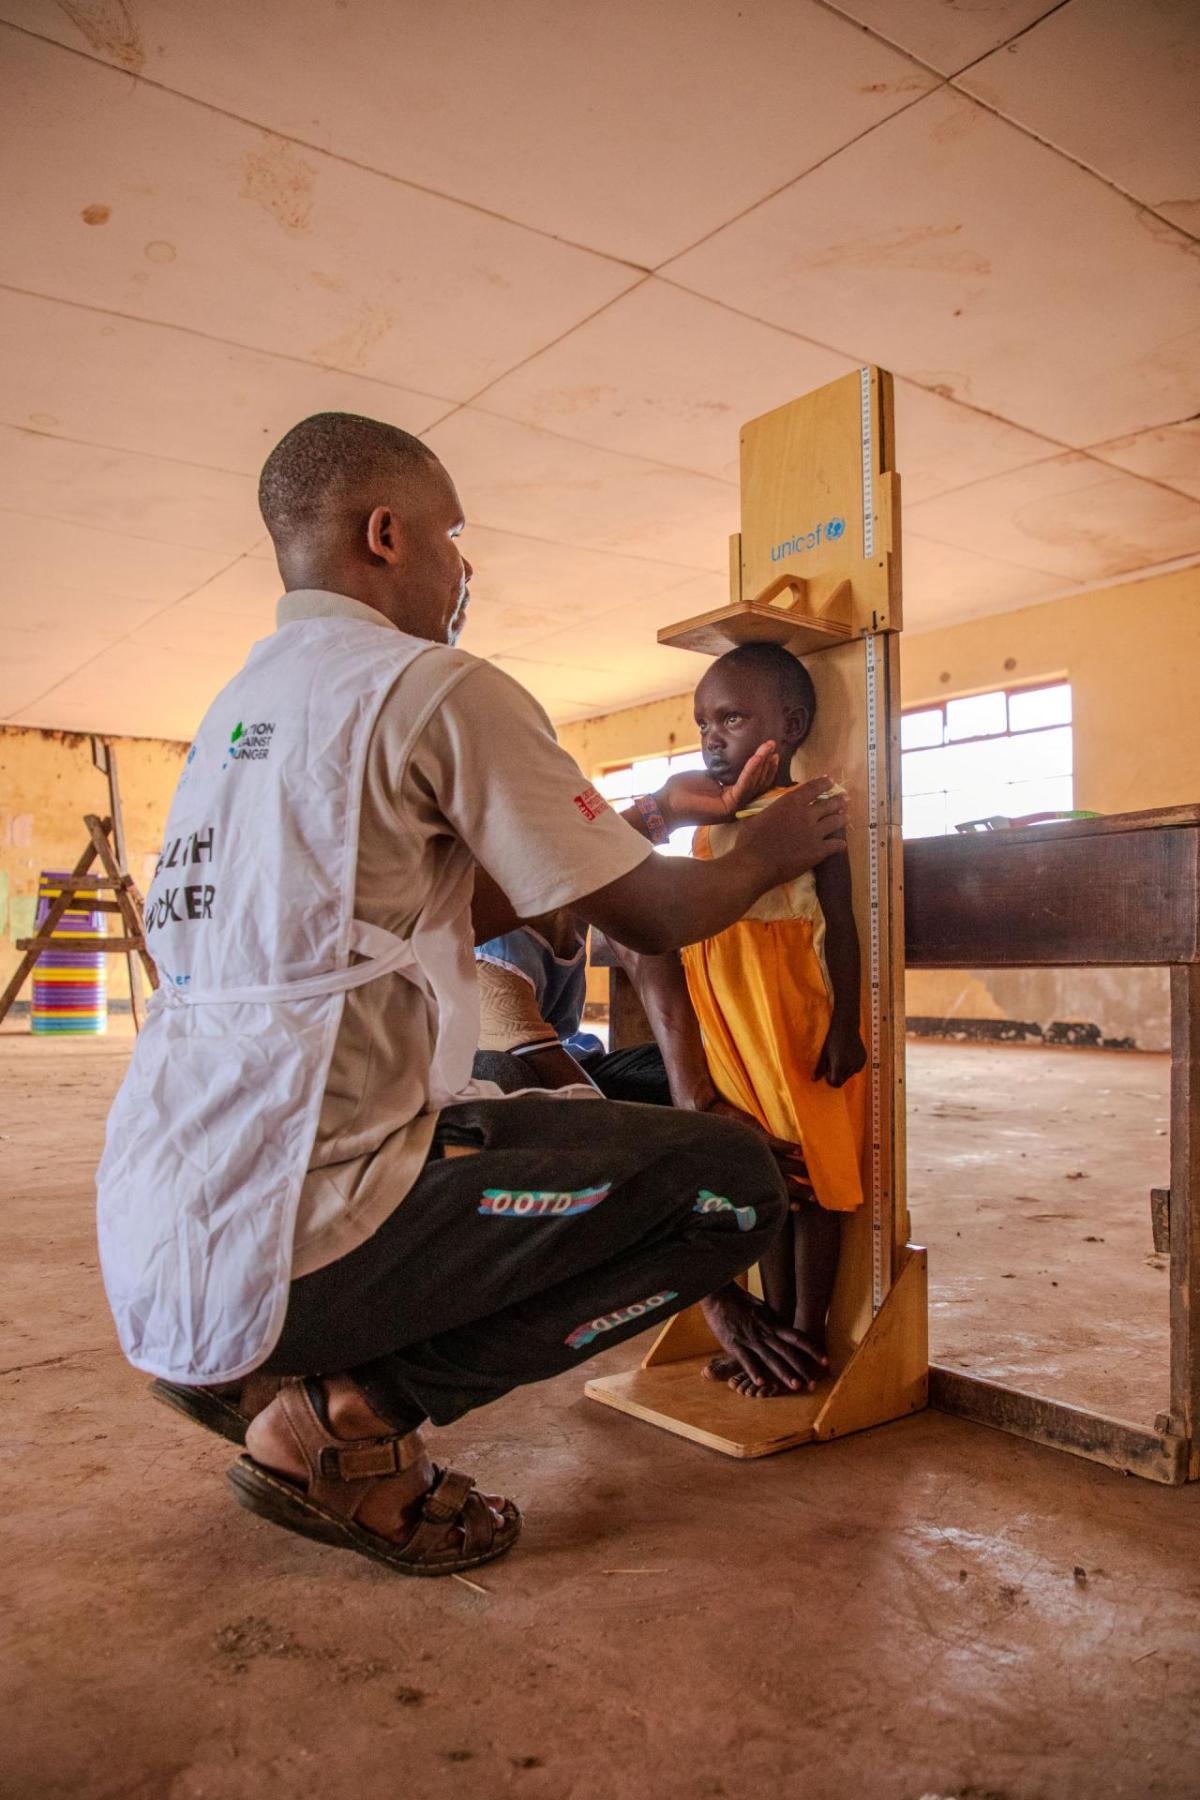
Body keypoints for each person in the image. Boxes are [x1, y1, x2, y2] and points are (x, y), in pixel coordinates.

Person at [97, 412, 850, 1579]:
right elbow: (648, 918)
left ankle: (259, 1374)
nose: (464, 570)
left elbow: (434, 912)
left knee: (550, 1120)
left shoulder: (242, 714)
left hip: (165, 1227)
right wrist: (765, 852)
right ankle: (349, 1415)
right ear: (388, 533)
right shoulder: (432, 683)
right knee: (730, 1188)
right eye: (454, 535)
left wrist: (642, 822)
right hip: (297, 1236)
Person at [619, 642, 867, 1399]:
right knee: (765, 1177)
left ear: (789, 725)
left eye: (731, 718)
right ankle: (771, 1329)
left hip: (794, 1015)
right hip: (731, 1023)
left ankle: (806, 1330)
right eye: (702, 723)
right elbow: (665, 806)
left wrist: (847, 1023)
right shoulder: (705, 827)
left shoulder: (811, 812)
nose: (712, 737)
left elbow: (843, 927)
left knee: (815, 1179)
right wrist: (718, 805)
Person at [473, 907, 672, 1104]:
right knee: (502, 1071)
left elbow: (640, 945)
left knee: (674, 1068)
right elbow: (558, 1077)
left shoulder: (569, 910)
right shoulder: (490, 951)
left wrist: (691, 1092)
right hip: (511, 1074)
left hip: (562, 1057)